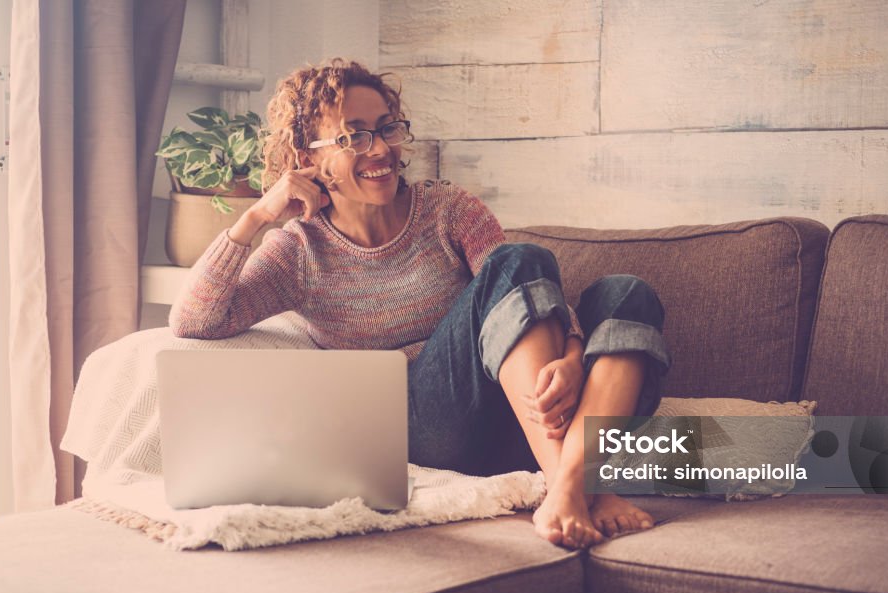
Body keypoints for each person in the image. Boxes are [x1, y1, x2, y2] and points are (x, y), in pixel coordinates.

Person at [169, 58, 672, 549]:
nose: (381, 148)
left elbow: (522, 294)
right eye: (354, 135)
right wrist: (257, 216)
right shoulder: (298, 251)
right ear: (307, 159)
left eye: (388, 129)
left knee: (627, 293)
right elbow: (194, 320)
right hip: (425, 425)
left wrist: (571, 355)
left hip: (516, 417)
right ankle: (579, 486)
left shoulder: (448, 210)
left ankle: (568, 482)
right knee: (519, 258)